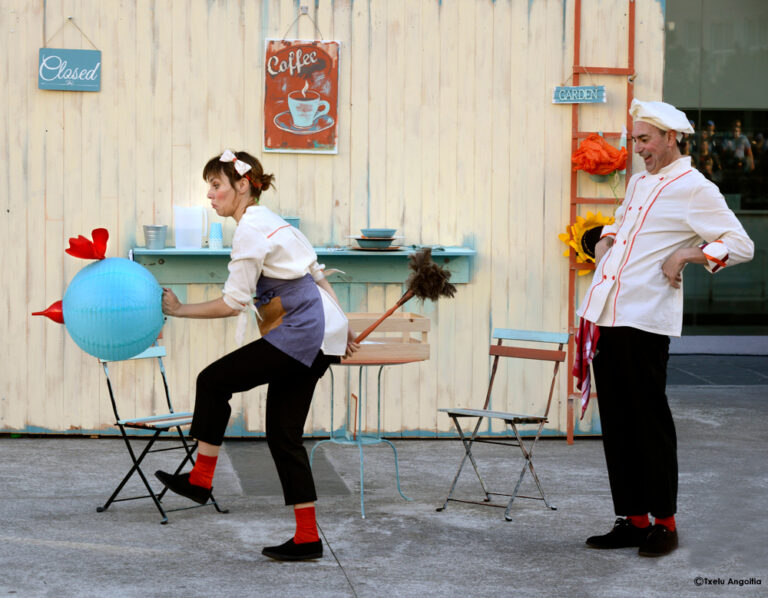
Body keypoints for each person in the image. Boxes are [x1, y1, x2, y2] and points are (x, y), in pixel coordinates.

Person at [155, 149, 359, 561]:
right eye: (209, 187)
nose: (210, 195)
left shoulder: (250, 230)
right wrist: (342, 323)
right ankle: (307, 538)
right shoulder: (274, 221)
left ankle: (201, 479)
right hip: (318, 334)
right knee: (284, 436)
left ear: (243, 185)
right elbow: (317, 274)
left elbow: (233, 303)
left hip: (301, 333)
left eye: (216, 185)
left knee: (212, 381)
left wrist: (180, 310)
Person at [575, 100, 754, 557]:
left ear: (671, 138)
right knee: (618, 424)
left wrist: (687, 254)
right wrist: (606, 239)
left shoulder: (696, 188)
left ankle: (665, 524)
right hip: (607, 315)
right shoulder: (639, 182)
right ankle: (633, 520)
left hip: (645, 320)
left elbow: (740, 244)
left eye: (645, 140)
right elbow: (624, 224)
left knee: (649, 423)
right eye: (634, 140)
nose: (638, 149)